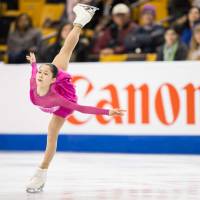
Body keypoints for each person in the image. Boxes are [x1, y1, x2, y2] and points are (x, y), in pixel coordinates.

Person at [25, 3, 126, 193]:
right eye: (40, 72)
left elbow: (81, 109)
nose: (40, 75)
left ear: (54, 79)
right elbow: (34, 73)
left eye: (45, 74)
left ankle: (40, 173)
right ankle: (81, 19)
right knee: (64, 51)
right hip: (54, 90)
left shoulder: (58, 98)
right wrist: (34, 65)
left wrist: (107, 111)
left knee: (51, 134)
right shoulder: (35, 84)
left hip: (64, 101)